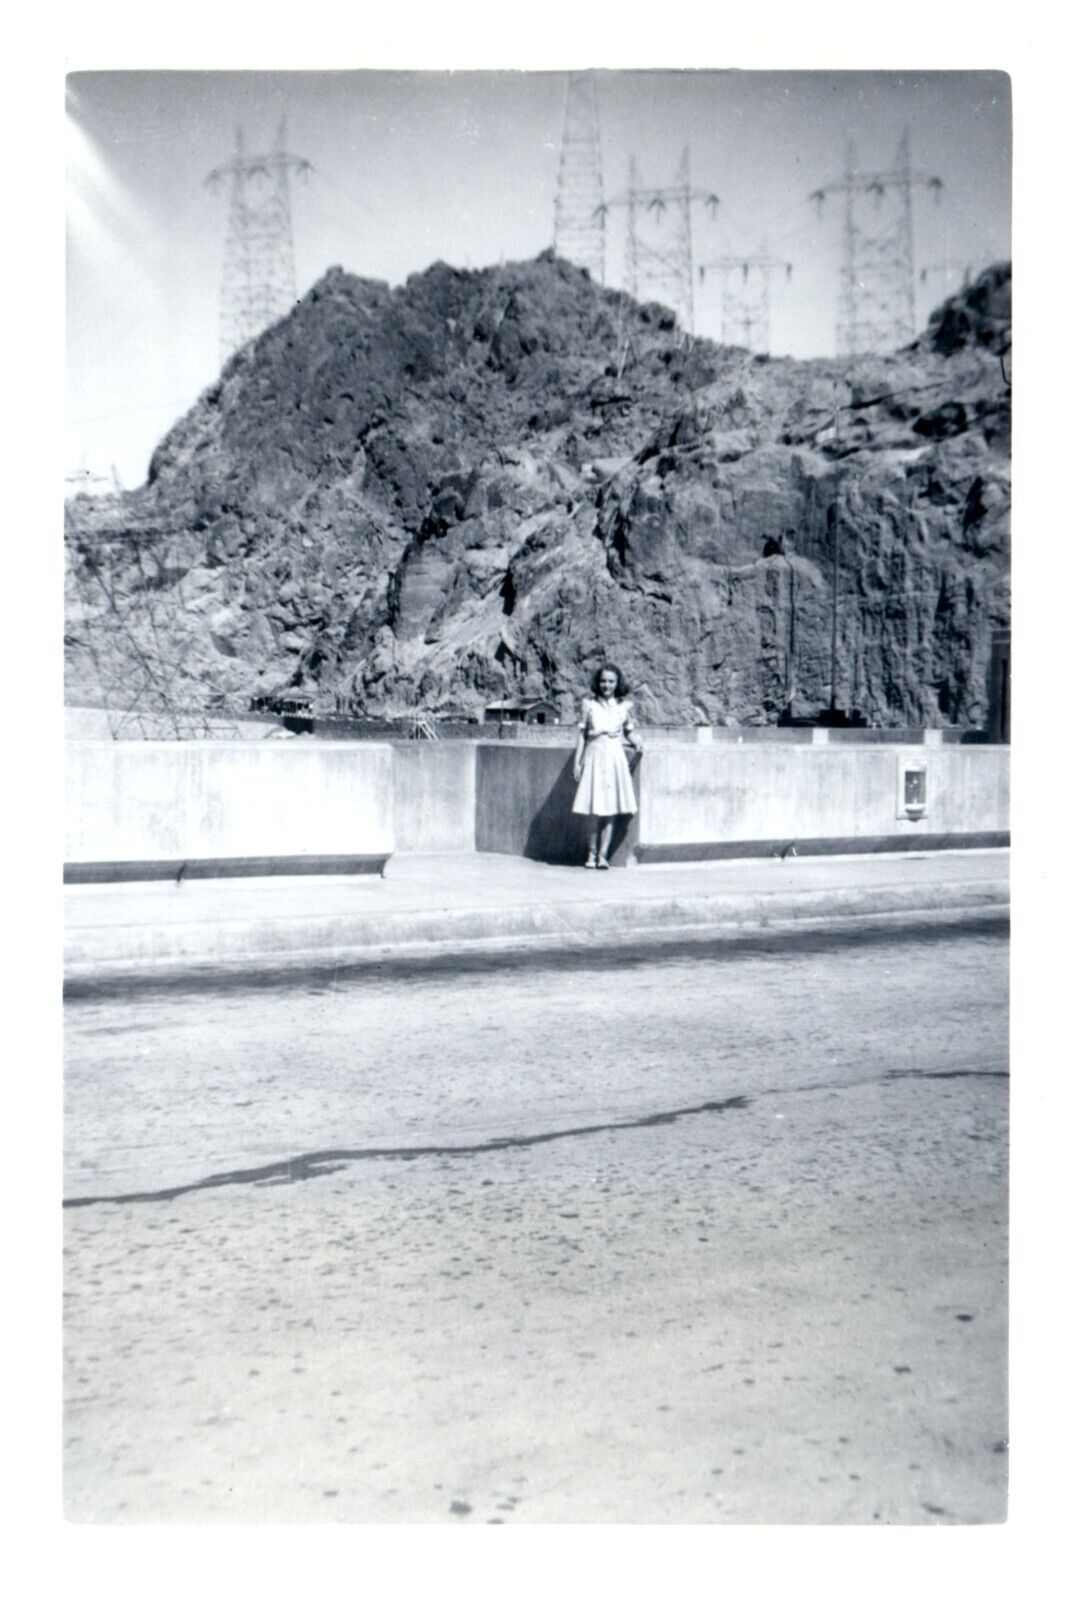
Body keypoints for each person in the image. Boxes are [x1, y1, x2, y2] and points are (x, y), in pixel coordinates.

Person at [572, 664, 643, 868]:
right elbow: (583, 735)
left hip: (614, 757)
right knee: (594, 810)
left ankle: (603, 855)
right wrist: (577, 762)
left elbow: (628, 731)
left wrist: (636, 743)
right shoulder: (589, 705)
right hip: (594, 756)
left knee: (610, 809)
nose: (607, 685)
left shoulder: (623, 707)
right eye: (603, 681)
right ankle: (591, 854)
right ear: (598, 682)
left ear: (617, 683)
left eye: (611, 681)